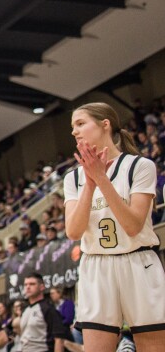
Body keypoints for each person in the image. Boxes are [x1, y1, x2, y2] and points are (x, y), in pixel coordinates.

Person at [64, 102, 165, 352]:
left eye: (80, 124)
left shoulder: (140, 166)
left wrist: (101, 179)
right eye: (72, 127)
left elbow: (132, 226)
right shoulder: (73, 178)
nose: (74, 132)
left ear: (105, 124)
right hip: (96, 266)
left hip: (139, 263)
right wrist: (89, 183)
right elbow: (73, 232)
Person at [18, 273, 69, 352]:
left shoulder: (48, 309)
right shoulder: (25, 310)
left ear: (41, 287)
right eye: (25, 285)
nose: (28, 287)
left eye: (32, 284)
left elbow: (59, 340)